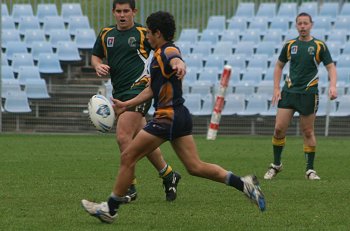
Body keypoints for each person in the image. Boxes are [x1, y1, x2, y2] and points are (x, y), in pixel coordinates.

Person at [82, 10, 265, 224]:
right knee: (195, 166)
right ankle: (245, 185)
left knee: (127, 156)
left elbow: (175, 59)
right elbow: (151, 88)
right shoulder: (160, 52)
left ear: (158, 33)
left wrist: (180, 64)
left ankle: (110, 209)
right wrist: (127, 104)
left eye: (149, 32)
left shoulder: (166, 51)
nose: (147, 36)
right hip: (180, 115)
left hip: (166, 118)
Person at [90, 0, 181, 201]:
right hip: (119, 94)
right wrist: (97, 65)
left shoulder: (143, 33)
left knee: (123, 136)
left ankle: (129, 187)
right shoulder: (106, 34)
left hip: (140, 90)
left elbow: (165, 48)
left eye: (126, 11)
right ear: (113, 12)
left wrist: (174, 62)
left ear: (134, 12)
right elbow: (95, 56)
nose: (122, 15)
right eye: (118, 11)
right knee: (143, 140)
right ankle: (169, 175)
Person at [263, 12, 337, 180]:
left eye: (305, 23)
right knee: (278, 129)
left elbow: (331, 67)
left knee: (308, 131)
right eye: (300, 23)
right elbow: (279, 66)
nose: (303, 26)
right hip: (289, 92)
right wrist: (276, 88)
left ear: (311, 25)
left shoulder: (319, 46)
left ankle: (310, 170)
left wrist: (332, 86)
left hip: (309, 94)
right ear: (296, 26)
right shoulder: (290, 45)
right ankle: (276, 165)